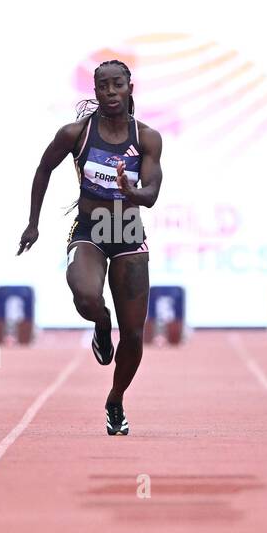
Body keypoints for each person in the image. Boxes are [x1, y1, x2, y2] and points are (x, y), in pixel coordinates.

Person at [17, 60, 163, 436]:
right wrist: (33, 223)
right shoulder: (76, 134)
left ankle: (115, 399)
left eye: (117, 85)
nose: (110, 92)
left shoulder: (146, 138)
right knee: (85, 294)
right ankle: (100, 323)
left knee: (132, 334)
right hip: (90, 228)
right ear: (94, 91)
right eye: (103, 86)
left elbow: (152, 192)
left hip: (128, 230)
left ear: (130, 87)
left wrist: (135, 193)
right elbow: (42, 168)